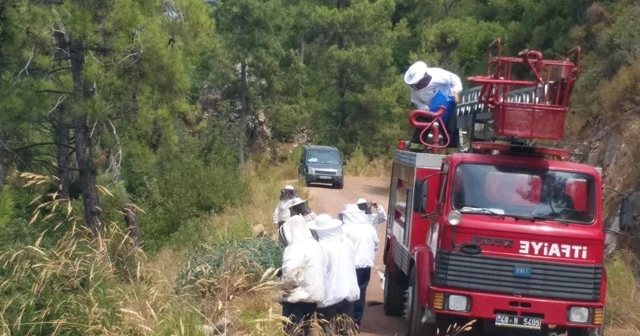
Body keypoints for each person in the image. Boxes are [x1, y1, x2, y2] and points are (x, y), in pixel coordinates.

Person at [309, 214, 360, 334]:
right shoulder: (347, 242)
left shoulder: (321, 247)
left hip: (329, 297)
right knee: (346, 330)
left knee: (328, 331)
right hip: (348, 293)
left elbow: (319, 273)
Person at [279, 215, 326, 335]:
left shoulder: (294, 248)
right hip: (313, 297)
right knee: (306, 330)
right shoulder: (316, 245)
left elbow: (289, 275)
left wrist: (282, 291)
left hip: (296, 299)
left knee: (293, 331)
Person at [404, 61, 463, 150]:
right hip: (428, 111)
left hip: (447, 106)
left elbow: (454, 79)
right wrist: (425, 109)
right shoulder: (414, 89)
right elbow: (416, 101)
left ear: (424, 76)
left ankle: (452, 154)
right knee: (420, 129)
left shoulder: (437, 74)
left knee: (452, 130)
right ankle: (415, 149)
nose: (418, 85)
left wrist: (456, 92)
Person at [340, 204, 379, 327]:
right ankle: (357, 320)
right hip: (366, 265)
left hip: (350, 266)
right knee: (361, 291)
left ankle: (347, 318)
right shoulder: (369, 228)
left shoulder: (345, 229)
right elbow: (376, 244)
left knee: (348, 290)